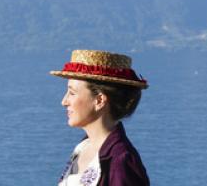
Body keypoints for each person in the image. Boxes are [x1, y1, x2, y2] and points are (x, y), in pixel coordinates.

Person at [50, 49, 150, 186]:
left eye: (72, 93)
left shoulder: (121, 162)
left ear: (99, 100)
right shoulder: (83, 147)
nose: (64, 101)